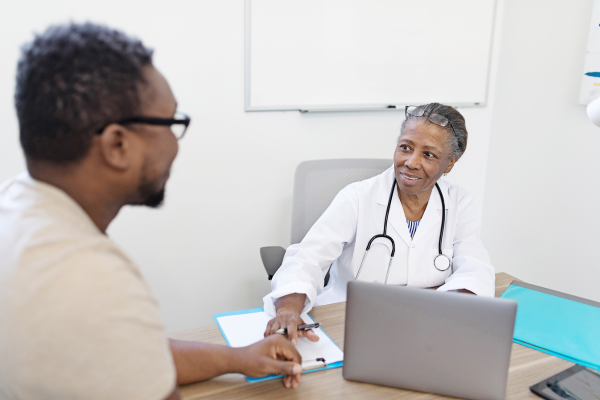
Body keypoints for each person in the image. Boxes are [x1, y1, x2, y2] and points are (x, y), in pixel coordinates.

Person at [0, 23, 303, 400]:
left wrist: (238, 358)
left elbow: (126, 351)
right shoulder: (90, 278)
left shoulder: (18, 203)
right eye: (173, 123)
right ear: (118, 145)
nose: (176, 146)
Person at [263, 103, 495, 345]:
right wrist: (288, 309)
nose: (411, 162)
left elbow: (475, 268)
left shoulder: (458, 203)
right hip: (349, 322)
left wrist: (446, 315)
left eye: (428, 155)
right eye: (405, 147)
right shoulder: (356, 197)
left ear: (449, 164)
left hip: (426, 328)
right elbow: (306, 259)